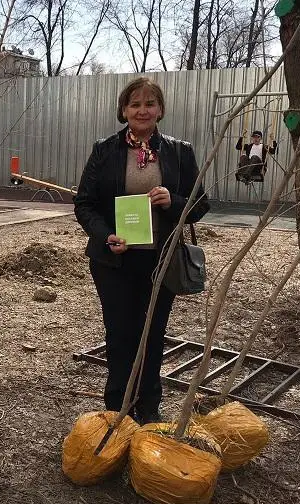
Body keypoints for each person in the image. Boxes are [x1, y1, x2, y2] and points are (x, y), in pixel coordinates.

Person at [74, 77, 210, 423]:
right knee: (120, 335)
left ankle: (149, 410)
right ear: (124, 110)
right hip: (113, 261)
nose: (142, 110)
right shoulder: (104, 150)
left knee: (152, 335)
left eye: (150, 103)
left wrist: (173, 200)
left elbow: (200, 205)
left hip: (160, 262)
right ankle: (117, 410)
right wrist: (107, 236)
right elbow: (84, 204)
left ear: (160, 110)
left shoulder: (180, 152)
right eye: (135, 104)